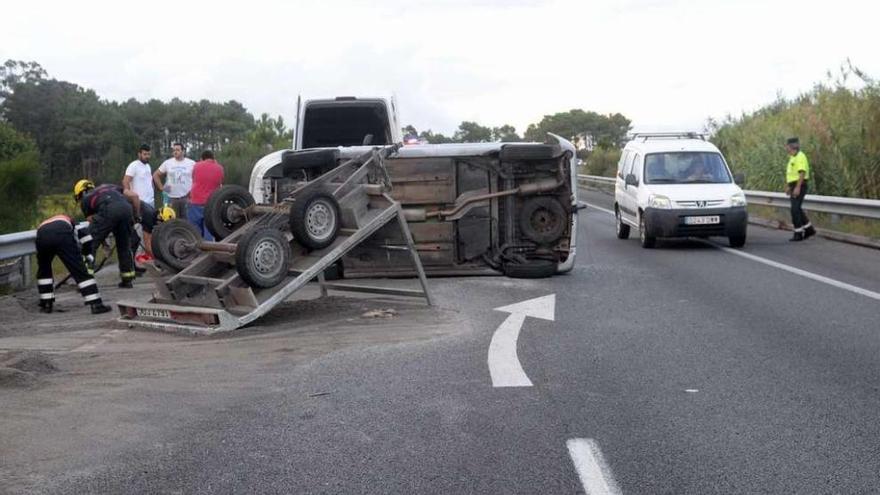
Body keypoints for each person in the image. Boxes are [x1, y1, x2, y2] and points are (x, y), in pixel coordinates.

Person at [35, 214, 112, 314]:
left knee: (44, 271)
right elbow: (86, 238)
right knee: (79, 271)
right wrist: (87, 254)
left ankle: (46, 305)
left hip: (42, 236)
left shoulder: (46, 222)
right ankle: (96, 304)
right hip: (61, 235)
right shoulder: (70, 219)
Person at [75, 179, 139, 288]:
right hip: (126, 209)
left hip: (108, 210)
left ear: (81, 193)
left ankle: (86, 282)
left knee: (89, 245)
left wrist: (103, 244)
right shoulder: (110, 186)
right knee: (124, 246)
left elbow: (95, 228)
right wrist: (136, 216)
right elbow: (134, 196)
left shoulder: (86, 200)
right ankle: (127, 279)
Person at [123, 144, 155, 260]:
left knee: (149, 230)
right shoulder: (133, 166)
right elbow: (126, 182)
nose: (147, 156)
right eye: (145, 154)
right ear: (139, 154)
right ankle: (138, 255)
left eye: (148, 154)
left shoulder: (148, 166)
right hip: (139, 203)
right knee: (140, 230)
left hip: (150, 202)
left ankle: (148, 253)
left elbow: (149, 182)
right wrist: (130, 197)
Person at [783, 137, 816, 241]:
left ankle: (798, 233)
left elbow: (802, 172)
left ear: (792, 146)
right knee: (797, 209)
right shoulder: (792, 157)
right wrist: (789, 186)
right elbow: (792, 173)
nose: (786, 148)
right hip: (794, 185)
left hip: (800, 185)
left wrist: (797, 187)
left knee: (795, 209)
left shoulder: (800, 156)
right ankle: (809, 229)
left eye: (787, 146)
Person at [187, 150, 224, 241]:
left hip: (196, 201)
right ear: (213, 159)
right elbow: (220, 182)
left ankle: (196, 251)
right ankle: (208, 250)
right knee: (209, 229)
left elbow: (194, 178)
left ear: (201, 159)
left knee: (195, 230)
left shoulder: (196, 166)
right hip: (212, 203)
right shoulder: (219, 168)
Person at [153, 142, 194, 219]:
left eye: (178, 150)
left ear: (183, 151)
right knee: (172, 222)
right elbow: (156, 175)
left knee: (187, 222)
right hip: (171, 198)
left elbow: (197, 178)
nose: (175, 152)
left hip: (186, 198)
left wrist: (193, 190)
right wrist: (162, 188)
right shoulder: (168, 163)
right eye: (174, 150)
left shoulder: (191, 163)